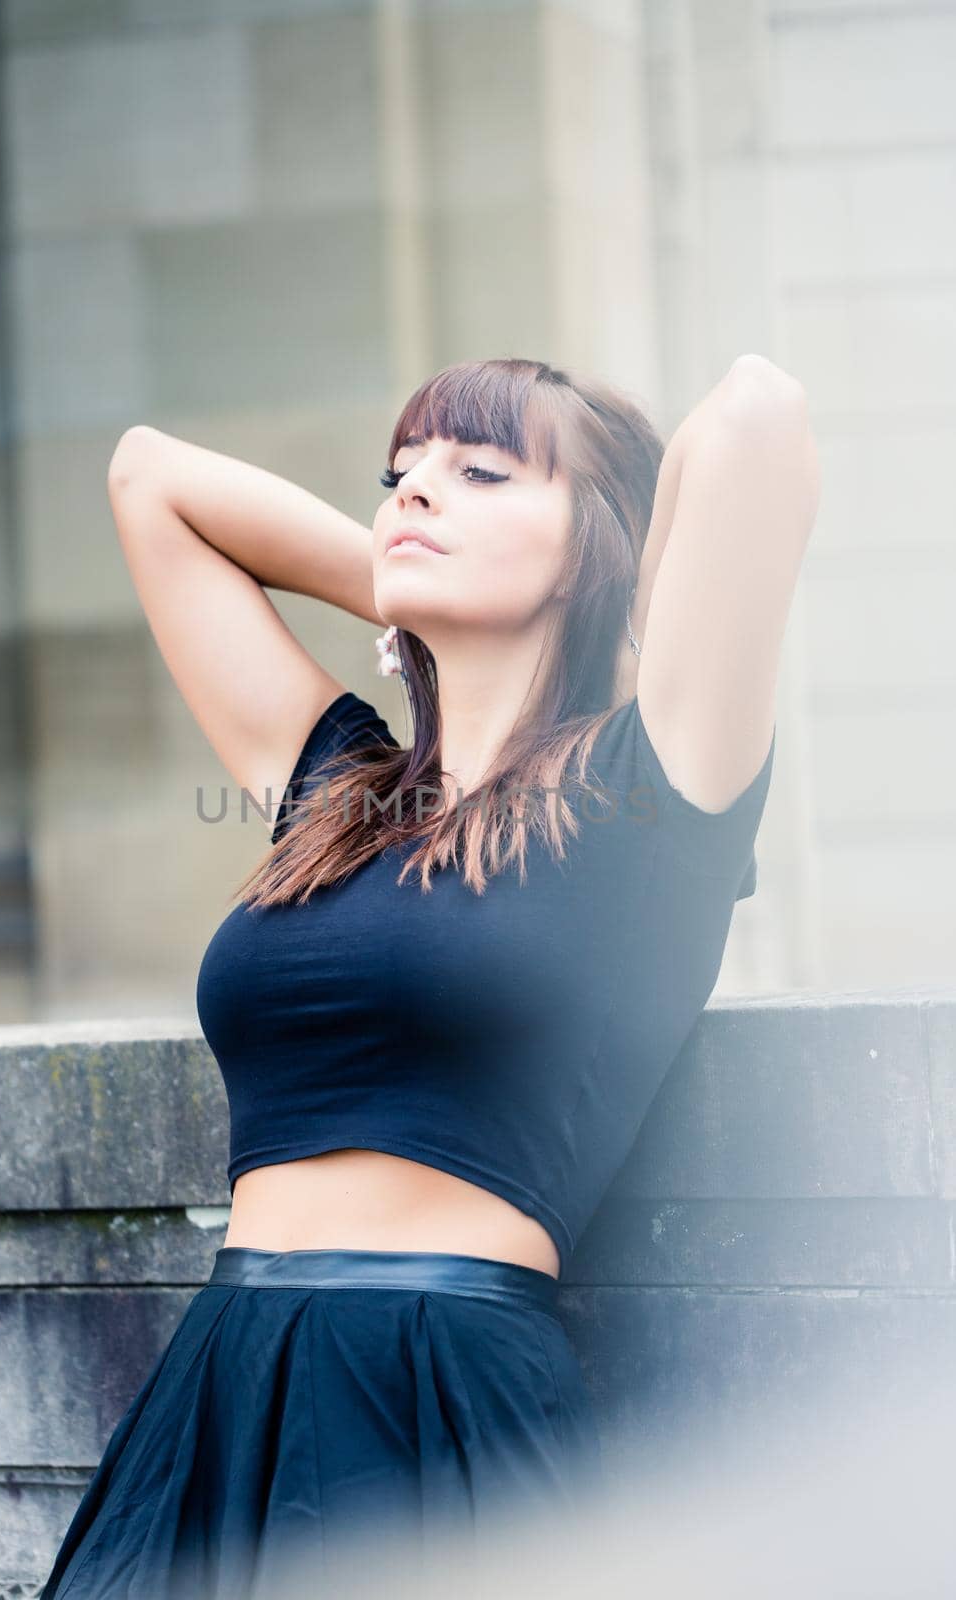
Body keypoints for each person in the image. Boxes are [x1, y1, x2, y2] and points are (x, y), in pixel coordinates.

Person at [40, 355, 819, 1598]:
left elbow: (755, 419)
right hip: (221, 1388)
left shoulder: (645, 797)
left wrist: (596, 612)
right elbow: (150, 478)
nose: (409, 495)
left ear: (589, 552)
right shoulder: (338, 792)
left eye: (478, 471)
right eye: (397, 476)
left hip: (437, 1391)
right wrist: (413, 588)